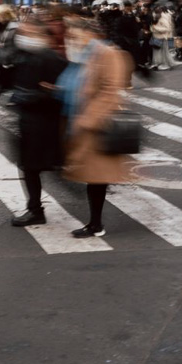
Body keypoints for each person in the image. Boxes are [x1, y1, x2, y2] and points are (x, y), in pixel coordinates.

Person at [61, 15, 136, 238]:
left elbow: (111, 90)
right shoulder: (85, 55)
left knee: (96, 178)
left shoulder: (107, 54)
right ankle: (95, 222)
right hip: (83, 123)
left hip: (98, 127)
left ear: (89, 33)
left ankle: (95, 224)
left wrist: (87, 119)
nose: (72, 39)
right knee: (93, 178)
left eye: (75, 34)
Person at [8, 18, 69, 228]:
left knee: (38, 166)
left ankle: (36, 210)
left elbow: (62, 90)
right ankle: (35, 209)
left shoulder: (50, 57)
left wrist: (33, 95)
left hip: (44, 123)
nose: (22, 36)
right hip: (30, 121)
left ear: (41, 35)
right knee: (30, 167)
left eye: (27, 32)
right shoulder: (26, 55)